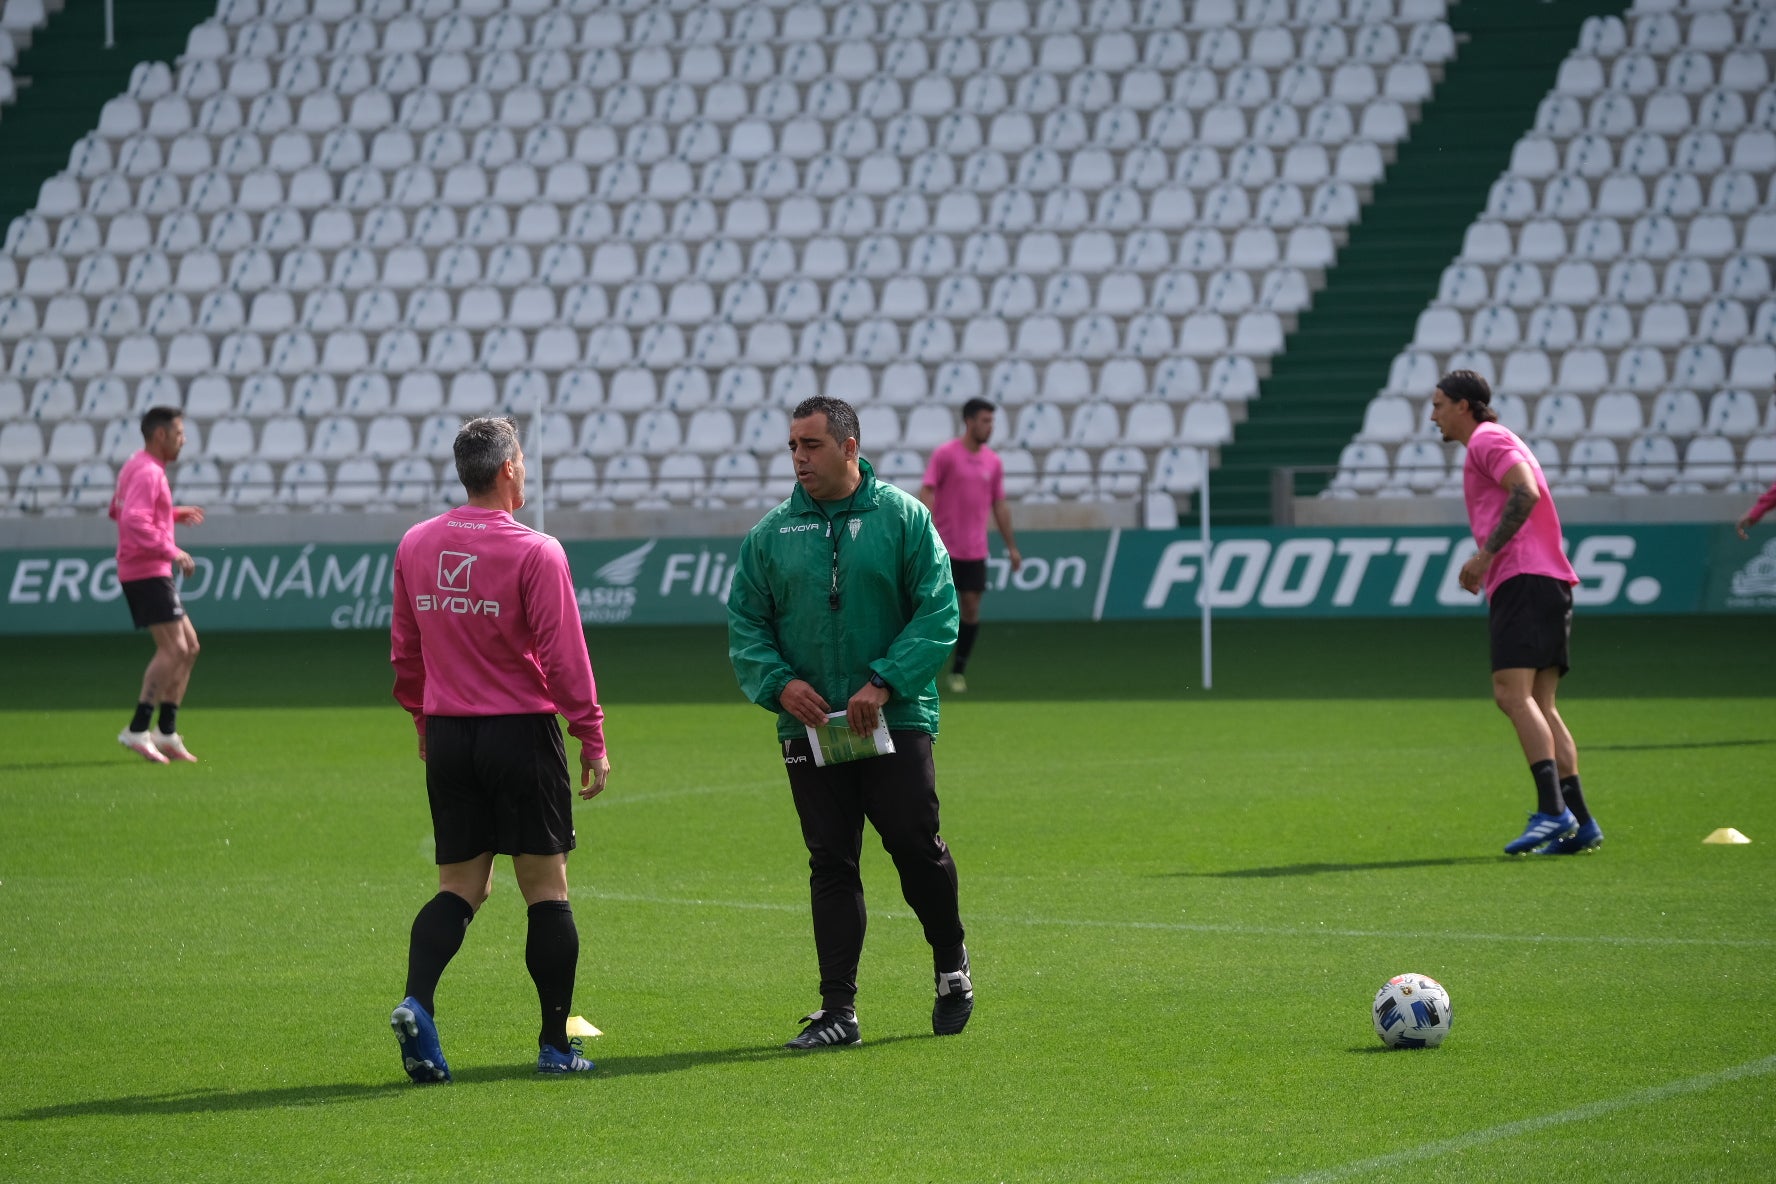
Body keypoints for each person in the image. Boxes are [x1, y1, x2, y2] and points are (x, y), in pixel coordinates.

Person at [728, 395, 970, 1049]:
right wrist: (780, 687)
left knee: (915, 847)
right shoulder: (772, 534)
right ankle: (839, 1011)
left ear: (849, 447)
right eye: (793, 447)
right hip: (808, 728)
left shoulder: (903, 519)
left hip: (895, 717)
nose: (799, 458)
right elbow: (746, 624)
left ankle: (952, 966)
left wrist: (885, 681)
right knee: (830, 862)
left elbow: (938, 611)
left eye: (811, 445)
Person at [388, 416, 613, 1082]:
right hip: (521, 732)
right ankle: (554, 1044)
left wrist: (425, 722)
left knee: (461, 887)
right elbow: (563, 657)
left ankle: (417, 1003)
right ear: (511, 467)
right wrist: (590, 734)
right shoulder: (537, 550)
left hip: (451, 732)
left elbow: (406, 651)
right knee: (546, 891)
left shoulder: (415, 544)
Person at [1430, 370, 1602, 856]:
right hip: (1547, 580)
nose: (1433, 414)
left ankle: (1552, 811)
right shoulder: (1492, 441)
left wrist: (1485, 556)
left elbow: (1525, 491)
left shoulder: (1487, 438)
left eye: (1439, 404)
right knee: (1541, 705)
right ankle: (1581, 822)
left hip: (1523, 578)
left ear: (1465, 405)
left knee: (1510, 695)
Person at [110, 406, 204, 764]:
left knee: (190, 646)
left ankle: (166, 732)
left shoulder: (136, 464)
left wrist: (170, 513)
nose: (184, 440)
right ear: (161, 435)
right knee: (173, 649)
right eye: (179, 434)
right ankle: (137, 729)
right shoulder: (150, 472)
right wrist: (172, 549)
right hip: (146, 570)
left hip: (146, 568)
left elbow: (118, 510)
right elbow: (132, 520)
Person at [919, 397, 1021, 692]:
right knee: (931, 609)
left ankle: (958, 669)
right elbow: (927, 491)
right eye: (985, 421)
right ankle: (923, 667)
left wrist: (1011, 546)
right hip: (944, 548)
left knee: (972, 608)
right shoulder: (945, 454)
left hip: (975, 550)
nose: (990, 427)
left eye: (992, 421)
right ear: (969, 421)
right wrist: (925, 533)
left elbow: (999, 505)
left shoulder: (993, 462)